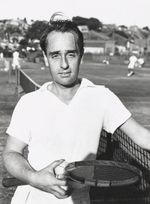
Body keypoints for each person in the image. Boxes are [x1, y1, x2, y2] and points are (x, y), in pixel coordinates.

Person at [2, 13, 150, 204]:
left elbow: (142, 136)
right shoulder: (29, 102)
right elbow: (11, 153)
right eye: (55, 55)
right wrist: (34, 177)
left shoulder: (102, 97)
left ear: (80, 54)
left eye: (70, 54)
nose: (64, 65)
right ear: (46, 58)